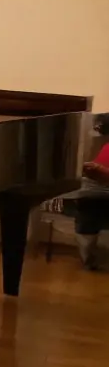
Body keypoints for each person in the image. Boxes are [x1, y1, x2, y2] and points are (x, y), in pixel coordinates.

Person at [73, 114, 109, 269]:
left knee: (88, 200)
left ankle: (89, 257)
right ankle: (88, 257)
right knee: (86, 198)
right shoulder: (105, 145)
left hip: (99, 191)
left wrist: (100, 171)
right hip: (92, 190)